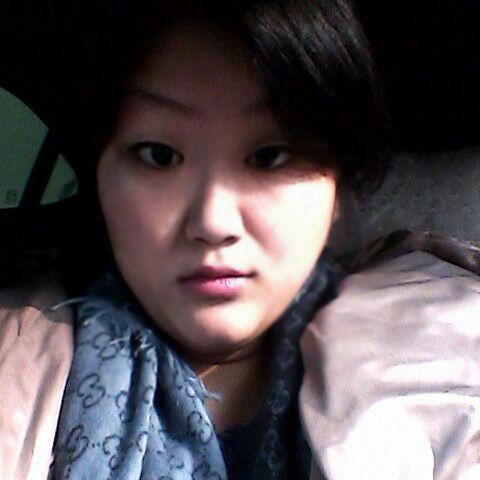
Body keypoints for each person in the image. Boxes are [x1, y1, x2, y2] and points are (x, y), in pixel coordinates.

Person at [0, 1, 390, 479]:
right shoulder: (12, 368)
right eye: (160, 155)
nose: (213, 221)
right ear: (99, 175)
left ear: (338, 185)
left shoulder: (448, 369)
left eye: (269, 156)